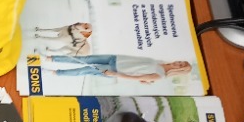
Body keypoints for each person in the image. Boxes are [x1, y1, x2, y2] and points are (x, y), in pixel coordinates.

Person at [43, 53, 193, 85]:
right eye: (181, 61)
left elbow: (135, 78)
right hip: (116, 58)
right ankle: (52, 58)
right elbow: (140, 69)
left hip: (114, 69)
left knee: (85, 70)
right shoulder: (161, 61)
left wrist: (115, 74)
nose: (178, 63)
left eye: (181, 65)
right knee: (86, 59)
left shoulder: (160, 75)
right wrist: (146, 81)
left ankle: (55, 72)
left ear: (179, 71)